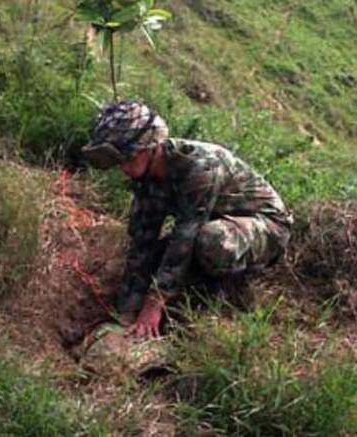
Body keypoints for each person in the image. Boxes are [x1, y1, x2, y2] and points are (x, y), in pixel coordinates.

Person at [82, 101, 293, 339]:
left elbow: (186, 236)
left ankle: (229, 292)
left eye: (128, 158)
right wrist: (127, 311)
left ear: (150, 147)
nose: (123, 168)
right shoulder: (148, 177)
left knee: (211, 242)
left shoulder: (200, 167)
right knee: (158, 255)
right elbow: (142, 243)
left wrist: (153, 305)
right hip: (213, 221)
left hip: (267, 226)